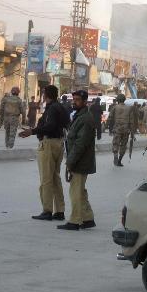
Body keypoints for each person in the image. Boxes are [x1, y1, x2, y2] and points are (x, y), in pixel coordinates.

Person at [20, 85, 68, 221]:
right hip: (58, 143)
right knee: (55, 178)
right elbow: (65, 123)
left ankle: (47, 210)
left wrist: (32, 131)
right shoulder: (60, 107)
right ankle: (60, 211)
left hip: (48, 144)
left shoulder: (52, 108)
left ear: (46, 95)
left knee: (46, 179)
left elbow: (50, 126)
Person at [58, 89, 95, 231]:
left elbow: (80, 144)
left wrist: (70, 162)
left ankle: (75, 221)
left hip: (80, 161)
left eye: (78, 100)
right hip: (78, 159)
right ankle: (87, 218)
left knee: (75, 191)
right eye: (74, 99)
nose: (74, 102)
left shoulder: (85, 119)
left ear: (85, 102)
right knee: (80, 191)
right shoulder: (80, 116)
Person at [107, 93, 130, 166]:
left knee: (115, 143)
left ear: (118, 100)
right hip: (126, 129)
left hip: (117, 128)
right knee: (123, 145)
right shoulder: (128, 108)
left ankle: (115, 156)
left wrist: (108, 127)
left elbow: (110, 118)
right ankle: (119, 160)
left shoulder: (115, 107)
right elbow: (132, 121)